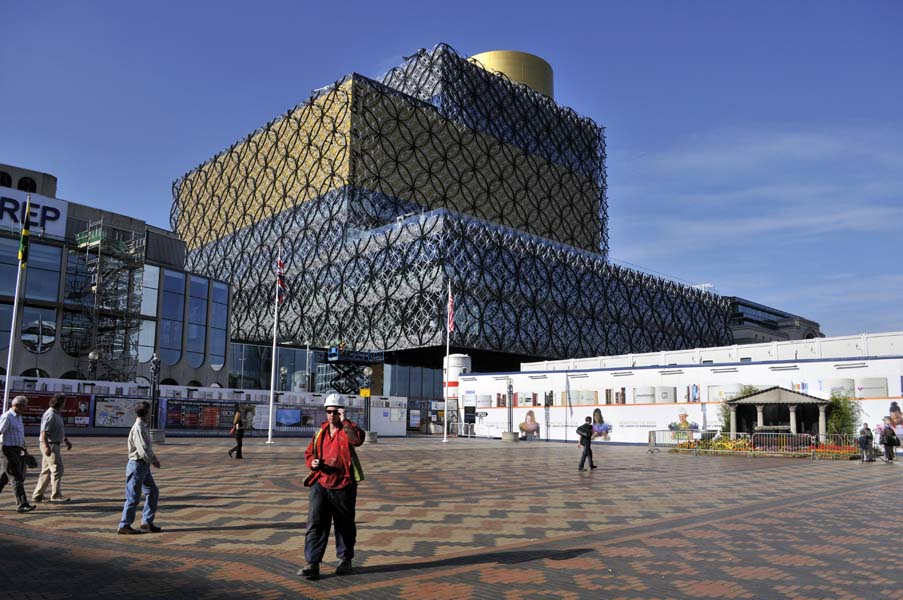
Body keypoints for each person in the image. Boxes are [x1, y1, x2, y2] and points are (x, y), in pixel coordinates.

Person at [299, 393, 365, 581]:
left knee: (344, 524)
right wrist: (312, 463)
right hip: (321, 483)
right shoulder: (321, 432)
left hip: (343, 484)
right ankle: (312, 564)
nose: (331, 415)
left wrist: (346, 422)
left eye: (335, 411)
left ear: (341, 412)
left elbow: (357, 440)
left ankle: (345, 560)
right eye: (328, 411)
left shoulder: (348, 430)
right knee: (316, 523)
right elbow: (309, 453)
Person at [117, 401, 162, 534]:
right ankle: (124, 525)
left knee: (153, 491)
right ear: (146, 412)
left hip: (143, 466)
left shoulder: (143, 426)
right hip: (137, 464)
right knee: (133, 496)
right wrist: (154, 460)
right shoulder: (139, 428)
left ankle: (147, 522)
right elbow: (143, 449)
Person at [31, 393, 73, 503]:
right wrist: (46, 446)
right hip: (50, 445)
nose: (65, 404)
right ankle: (56, 495)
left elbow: (59, 430)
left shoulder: (57, 414)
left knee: (46, 471)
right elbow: (44, 432)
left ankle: (38, 494)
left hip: (55, 444)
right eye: (64, 402)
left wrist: (65, 440)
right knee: (58, 469)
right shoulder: (50, 414)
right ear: (59, 402)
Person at [0, 396, 36, 513]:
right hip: (7, 449)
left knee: (4, 478)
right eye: (24, 406)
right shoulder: (7, 417)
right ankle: (22, 504)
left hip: (17, 449)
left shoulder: (19, 417)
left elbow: (19, 434)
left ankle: (22, 504)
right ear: (17, 405)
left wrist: (25, 449)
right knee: (17, 477)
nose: (25, 409)